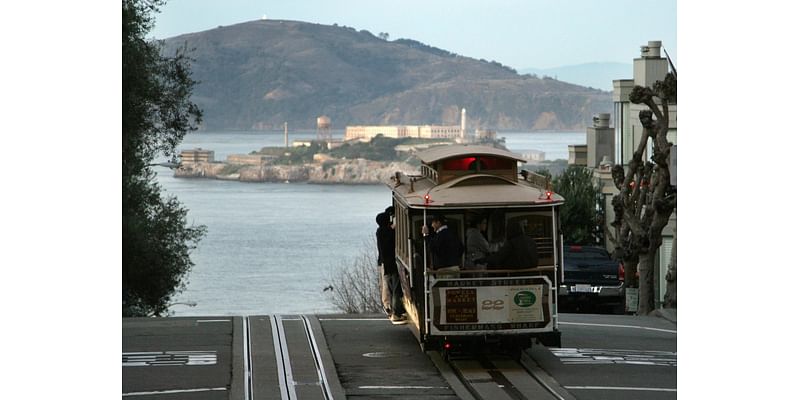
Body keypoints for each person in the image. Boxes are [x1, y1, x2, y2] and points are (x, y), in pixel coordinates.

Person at [376, 208, 407, 324]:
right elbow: (392, 241)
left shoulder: (380, 232)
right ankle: (396, 312)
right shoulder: (388, 232)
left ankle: (391, 308)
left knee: (389, 287)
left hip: (385, 264)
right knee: (396, 288)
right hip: (392, 264)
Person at [422, 214, 464, 278]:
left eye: (433, 223)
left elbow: (432, 247)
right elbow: (461, 248)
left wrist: (426, 235)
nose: (432, 225)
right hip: (455, 268)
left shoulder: (440, 235)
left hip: (444, 270)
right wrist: (455, 259)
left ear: (438, 223)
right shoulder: (452, 233)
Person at [375, 211, 392, 316]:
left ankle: (386, 304)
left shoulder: (379, 232)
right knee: (386, 283)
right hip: (385, 262)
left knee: (383, 284)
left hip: (381, 261)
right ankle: (387, 305)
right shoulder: (386, 232)